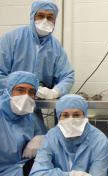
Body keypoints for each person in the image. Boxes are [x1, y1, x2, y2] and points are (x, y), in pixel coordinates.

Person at [0, 0, 75, 134]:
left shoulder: (55, 46)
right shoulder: (12, 39)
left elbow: (67, 76)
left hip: (32, 110)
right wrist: (18, 90)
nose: (45, 20)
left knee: (36, 138)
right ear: (32, 16)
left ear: (55, 20)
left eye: (50, 17)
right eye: (40, 16)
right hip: (7, 108)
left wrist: (55, 92)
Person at [29, 94, 108, 176]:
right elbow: (37, 173)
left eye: (77, 115)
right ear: (59, 117)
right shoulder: (51, 137)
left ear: (85, 115)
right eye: (65, 115)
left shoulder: (99, 140)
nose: (71, 120)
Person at [0, 71, 45, 176]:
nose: (26, 96)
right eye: (20, 90)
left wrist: (40, 138)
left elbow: (50, 137)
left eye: (31, 92)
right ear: (8, 90)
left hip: (20, 169)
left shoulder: (29, 116)